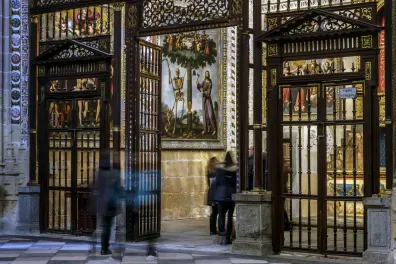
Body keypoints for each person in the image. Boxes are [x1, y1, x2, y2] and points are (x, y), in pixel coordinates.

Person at [95, 149, 121, 255]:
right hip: (110, 204)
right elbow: (118, 188)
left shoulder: (100, 174)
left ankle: (104, 246)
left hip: (102, 204)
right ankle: (105, 248)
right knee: (107, 227)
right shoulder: (113, 173)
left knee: (105, 226)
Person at [214, 152, 237, 245]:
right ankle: (228, 237)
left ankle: (221, 236)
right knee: (230, 216)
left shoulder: (219, 169)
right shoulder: (235, 169)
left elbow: (217, 182)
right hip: (231, 195)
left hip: (221, 195)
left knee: (221, 215)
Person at [197, 71, 217, 135]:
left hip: (208, 99)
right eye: (205, 74)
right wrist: (198, 84)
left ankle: (214, 129)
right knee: (204, 114)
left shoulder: (210, 82)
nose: (206, 75)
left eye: (207, 74)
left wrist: (203, 91)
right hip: (203, 99)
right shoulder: (204, 81)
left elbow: (208, 93)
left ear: (209, 75)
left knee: (210, 114)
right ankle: (205, 130)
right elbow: (201, 87)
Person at [207, 157, 219, 235]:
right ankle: (213, 229)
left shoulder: (209, 171)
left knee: (214, 212)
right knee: (216, 212)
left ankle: (212, 229)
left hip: (211, 193)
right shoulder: (216, 172)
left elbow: (209, 183)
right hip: (216, 193)